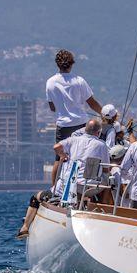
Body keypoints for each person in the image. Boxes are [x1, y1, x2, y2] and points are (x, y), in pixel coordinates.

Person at [16, 119, 109, 238]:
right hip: (90, 188)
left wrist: (62, 155)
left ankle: (24, 227)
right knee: (107, 178)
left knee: (35, 198)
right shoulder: (101, 145)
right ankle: (104, 206)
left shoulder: (73, 140)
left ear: (85, 130)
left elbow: (56, 146)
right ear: (98, 132)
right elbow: (106, 169)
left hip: (68, 187)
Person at [46, 49, 102, 191]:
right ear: (72, 64)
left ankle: (54, 190)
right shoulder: (79, 81)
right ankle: (86, 188)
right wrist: (104, 114)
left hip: (63, 125)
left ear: (57, 64)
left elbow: (52, 107)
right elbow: (91, 102)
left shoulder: (50, 82)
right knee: (86, 155)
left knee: (59, 159)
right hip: (80, 124)